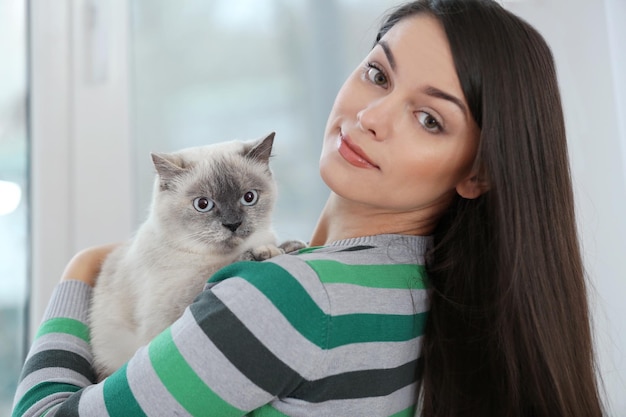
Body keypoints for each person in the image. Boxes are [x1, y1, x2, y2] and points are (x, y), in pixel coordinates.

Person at [12, 0, 605, 416]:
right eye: (377, 74)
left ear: (477, 172)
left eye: (428, 118)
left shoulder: (288, 300)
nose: (371, 117)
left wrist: (80, 272)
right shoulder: (425, 289)